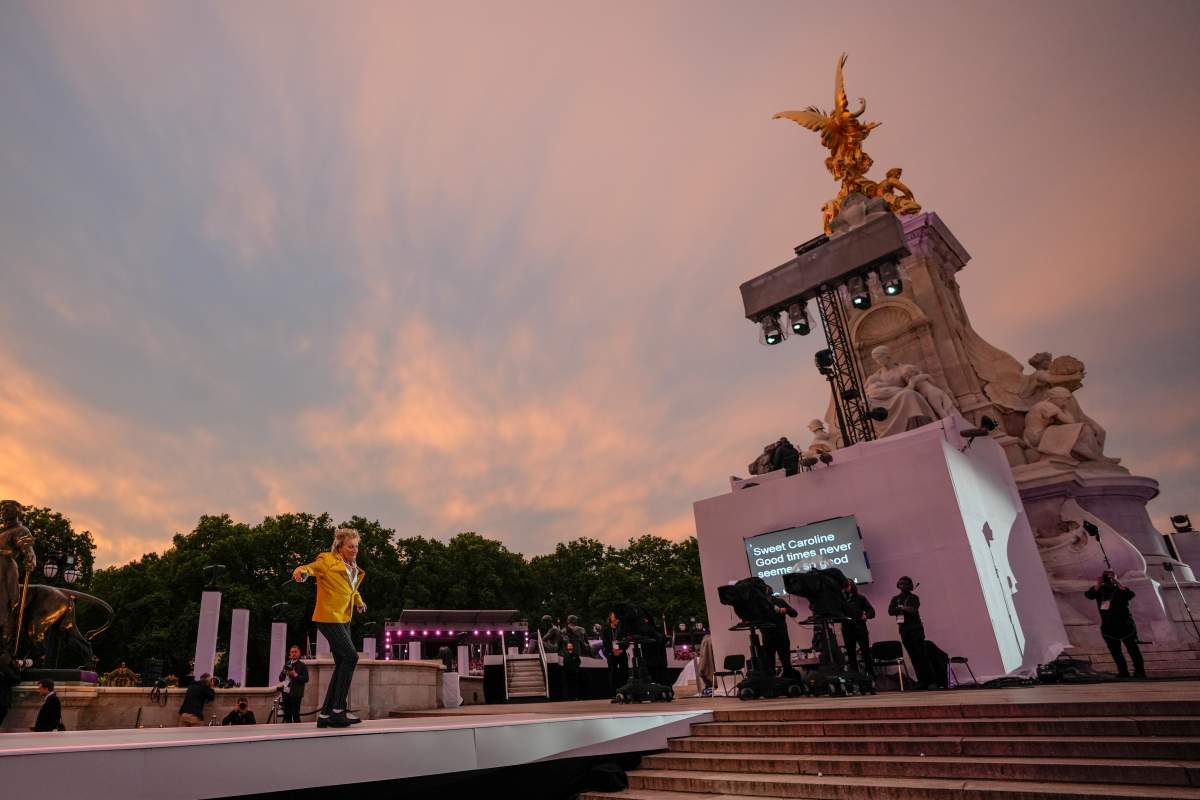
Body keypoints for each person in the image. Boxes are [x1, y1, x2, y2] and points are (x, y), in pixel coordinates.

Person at [293, 527, 367, 728]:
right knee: (351, 657)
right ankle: (338, 711)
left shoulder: (352, 566)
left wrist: (359, 602)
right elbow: (311, 568)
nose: (354, 550)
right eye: (350, 546)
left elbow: (351, 590)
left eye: (356, 546)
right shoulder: (327, 560)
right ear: (340, 547)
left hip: (344, 618)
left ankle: (325, 714)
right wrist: (301, 571)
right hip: (328, 617)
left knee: (343, 661)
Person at [1084, 570, 1146, 679]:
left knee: (1133, 650)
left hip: (1126, 625)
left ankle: (1140, 672)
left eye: (1111, 576)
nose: (1109, 579)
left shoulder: (1120, 589)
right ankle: (1123, 672)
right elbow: (1089, 595)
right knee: (1116, 652)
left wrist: (1117, 582)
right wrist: (1098, 584)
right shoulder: (1100, 590)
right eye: (1106, 577)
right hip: (1109, 627)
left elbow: (1130, 595)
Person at [0, 500, 36, 647]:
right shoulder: (2, 531)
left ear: (17, 512)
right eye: (2, 510)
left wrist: (30, 560)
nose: (3, 512)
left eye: (7, 510)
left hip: (4, 568)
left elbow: (29, 551)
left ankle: (4, 641)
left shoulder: (20, 530)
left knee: (4, 603)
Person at [888, 576, 933, 688]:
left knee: (922, 656)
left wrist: (902, 608)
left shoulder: (914, 597)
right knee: (913, 656)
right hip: (904, 630)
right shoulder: (896, 598)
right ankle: (921, 681)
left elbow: (913, 610)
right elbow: (891, 611)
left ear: (910, 585)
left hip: (916, 630)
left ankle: (930, 681)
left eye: (905, 584)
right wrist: (902, 608)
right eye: (900, 584)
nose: (902, 586)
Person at [759, 584, 801, 680]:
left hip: (781, 635)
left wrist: (785, 610)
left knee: (786, 661)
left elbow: (794, 613)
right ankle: (772, 681)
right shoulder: (760, 604)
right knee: (769, 663)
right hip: (768, 637)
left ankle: (789, 679)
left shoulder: (779, 601)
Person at [841, 580, 875, 675]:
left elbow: (872, 612)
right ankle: (856, 677)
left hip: (860, 628)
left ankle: (871, 676)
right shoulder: (841, 600)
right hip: (847, 629)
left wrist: (866, 615)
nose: (846, 587)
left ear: (852, 586)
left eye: (848, 585)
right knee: (851, 655)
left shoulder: (860, 598)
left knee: (866, 653)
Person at [278, 645, 308, 723]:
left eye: (295, 652)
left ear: (299, 653)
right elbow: (280, 678)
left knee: (295, 715)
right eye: (292, 652)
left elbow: (306, 679)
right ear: (290, 653)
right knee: (287, 715)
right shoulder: (287, 663)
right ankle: (288, 729)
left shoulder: (302, 665)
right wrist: (283, 672)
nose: (293, 654)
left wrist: (296, 675)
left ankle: (297, 730)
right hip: (286, 692)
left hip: (296, 693)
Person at [601, 611, 629, 695]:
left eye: (617, 617)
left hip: (621, 652)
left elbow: (626, 640)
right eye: (614, 617)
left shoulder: (622, 629)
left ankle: (625, 692)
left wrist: (621, 649)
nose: (616, 619)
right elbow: (605, 643)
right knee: (613, 673)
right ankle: (614, 693)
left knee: (624, 672)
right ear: (610, 618)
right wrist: (612, 650)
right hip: (611, 653)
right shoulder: (606, 630)